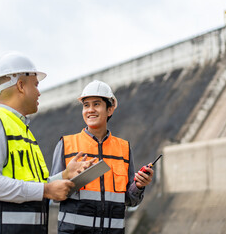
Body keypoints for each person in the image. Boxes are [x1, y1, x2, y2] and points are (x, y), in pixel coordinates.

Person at [0, 51, 94, 234]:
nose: (39, 92)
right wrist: (46, 190)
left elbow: (33, 184)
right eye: (35, 85)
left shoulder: (21, 129)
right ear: (21, 85)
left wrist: (64, 175)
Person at [51, 80, 154, 234]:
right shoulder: (66, 144)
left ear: (110, 109)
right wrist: (68, 177)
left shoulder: (124, 148)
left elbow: (130, 200)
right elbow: (53, 195)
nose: (90, 110)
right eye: (86, 105)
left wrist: (138, 186)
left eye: (97, 104)